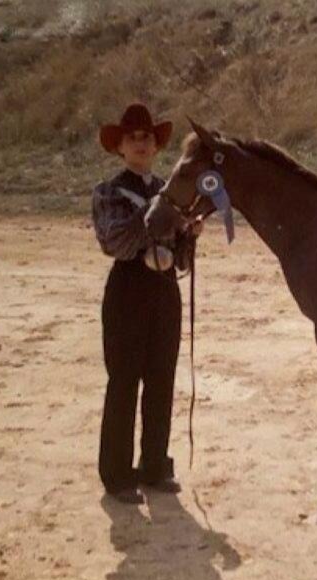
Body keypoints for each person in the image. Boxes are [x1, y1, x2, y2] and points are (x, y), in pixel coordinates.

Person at [92, 103, 198, 503]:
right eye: (132, 138)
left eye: (147, 137)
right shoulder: (108, 192)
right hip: (128, 290)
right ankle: (118, 476)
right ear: (119, 147)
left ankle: (155, 467)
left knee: (161, 379)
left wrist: (188, 236)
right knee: (123, 382)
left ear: (156, 146)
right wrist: (155, 214)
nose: (141, 143)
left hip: (165, 290)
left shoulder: (169, 192)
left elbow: (181, 259)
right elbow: (115, 243)